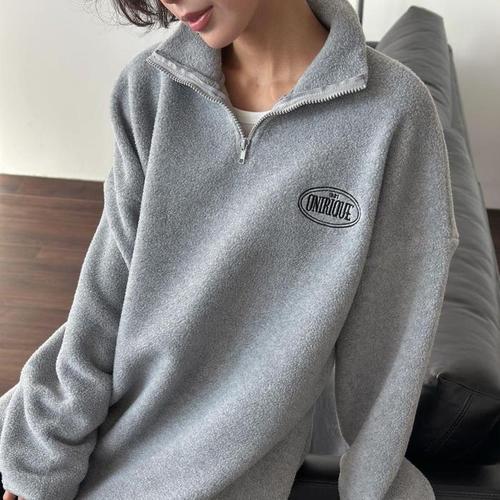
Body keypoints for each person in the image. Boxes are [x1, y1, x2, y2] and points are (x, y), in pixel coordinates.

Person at [0, 0, 459, 498]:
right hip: (62, 435)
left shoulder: (393, 114)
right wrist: (43, 460)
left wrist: (376, 489)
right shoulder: (151, 88)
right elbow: (103, 304)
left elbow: (388, 351)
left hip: (206, 478)